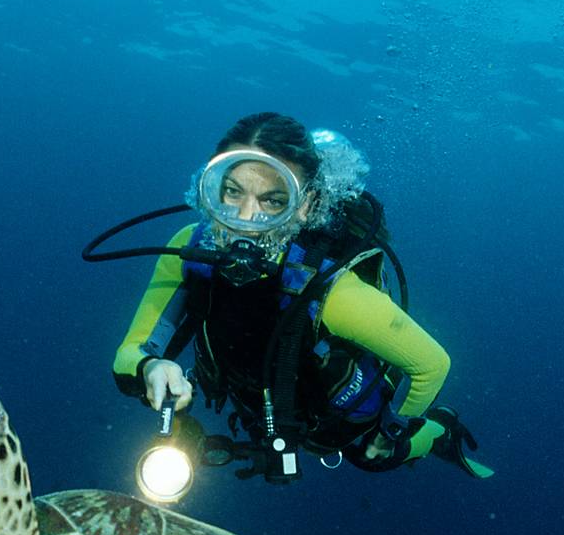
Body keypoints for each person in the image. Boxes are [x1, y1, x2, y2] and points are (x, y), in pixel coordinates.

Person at [111, 112, 492, 479]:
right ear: (209, 189)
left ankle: (440, 431)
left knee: (372, 458)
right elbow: (131, 353)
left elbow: (431, 364)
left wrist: (391, 432)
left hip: (335, 421)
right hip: (258, 402)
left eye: (273, 201)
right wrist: (150, 367)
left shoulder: (331, 291)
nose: (245, 219)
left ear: (304, 208)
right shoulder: (187, 251)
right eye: (231, 192)